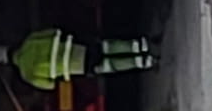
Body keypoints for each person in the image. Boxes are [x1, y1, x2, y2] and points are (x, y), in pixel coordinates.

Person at [8, 27, 161, 84]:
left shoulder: (26, 74)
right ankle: (144, 45)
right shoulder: (29, 42)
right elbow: (53, 32)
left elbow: (49, 85)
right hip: (76, 50)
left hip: (76, 68)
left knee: (110, 66)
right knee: (106, 48)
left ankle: (148, 62)